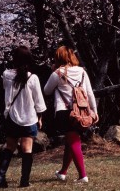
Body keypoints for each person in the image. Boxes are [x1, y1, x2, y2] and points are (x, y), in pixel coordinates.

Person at [44, 46, 99, 183]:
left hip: (64, 111)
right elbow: (90, 93)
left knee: (74, 141)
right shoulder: (82, 72)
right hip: (81, 111)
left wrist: (53, 72)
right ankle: (63, 172)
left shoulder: (57, 73)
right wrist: (94, 111)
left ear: (59, 58)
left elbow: (46, 91)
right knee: (71, 141)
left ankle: (83, 175)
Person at [0, 45, 46, 188]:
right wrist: (40, 117)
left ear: (14, 59)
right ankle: (24, 181)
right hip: (29, 117)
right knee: (27, 149)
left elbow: (6, 89)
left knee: (9, 147)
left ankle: (0, 178)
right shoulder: (33, 78)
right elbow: (39, 101)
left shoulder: (6, 75)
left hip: (12, 117)